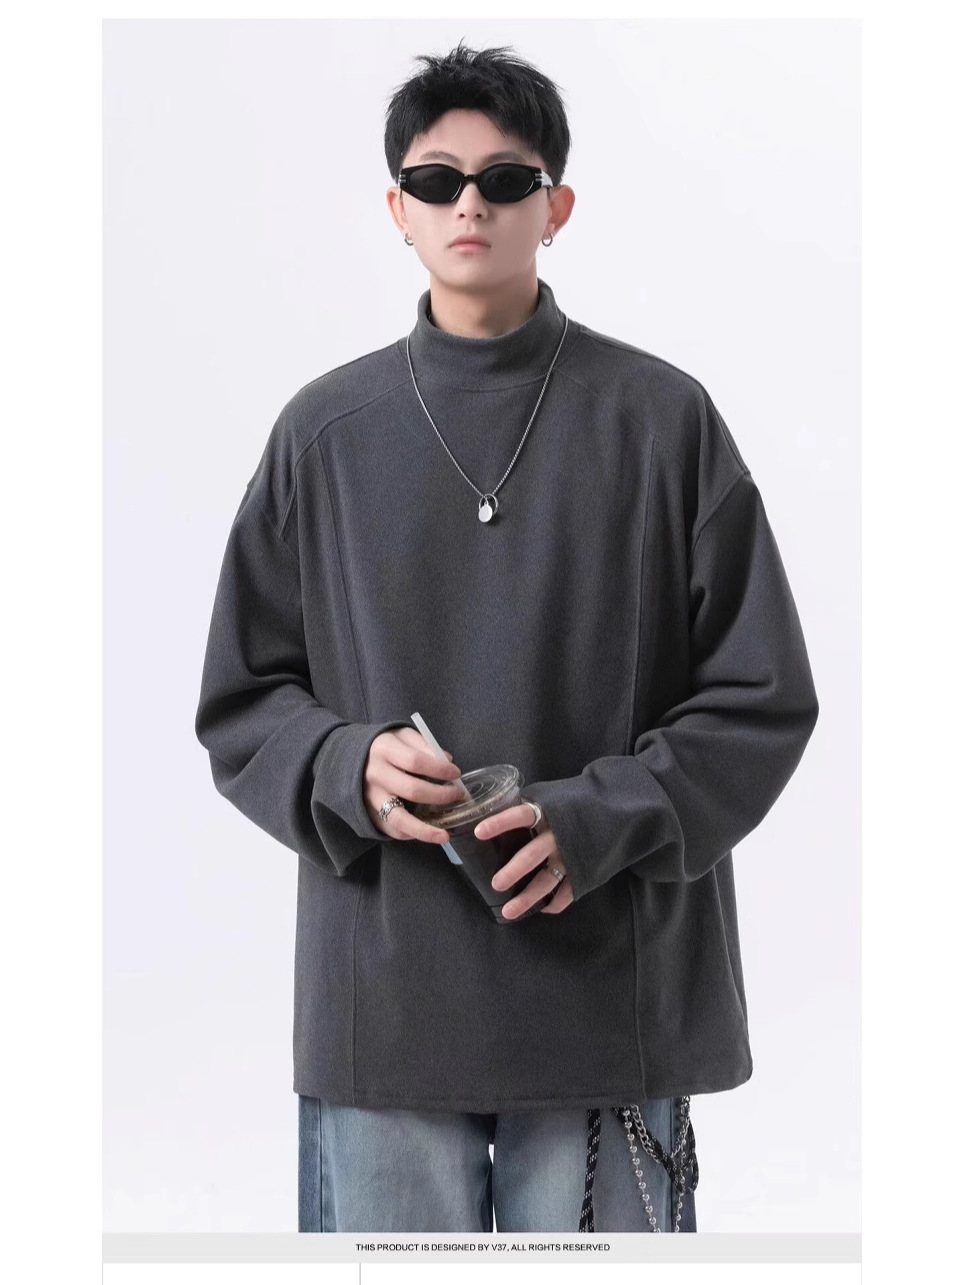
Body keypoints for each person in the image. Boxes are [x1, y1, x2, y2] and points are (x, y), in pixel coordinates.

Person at [194, 39, 819, 1234]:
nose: (468, 204)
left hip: (609, 992)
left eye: (504, 178)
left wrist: (601, 816)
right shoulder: (324, 433)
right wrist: (345, 761)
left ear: (555, 206)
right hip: (388, 998)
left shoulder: (661, 420)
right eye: (435, 182)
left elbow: (762, 694)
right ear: (398, 210)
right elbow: (243, 696)